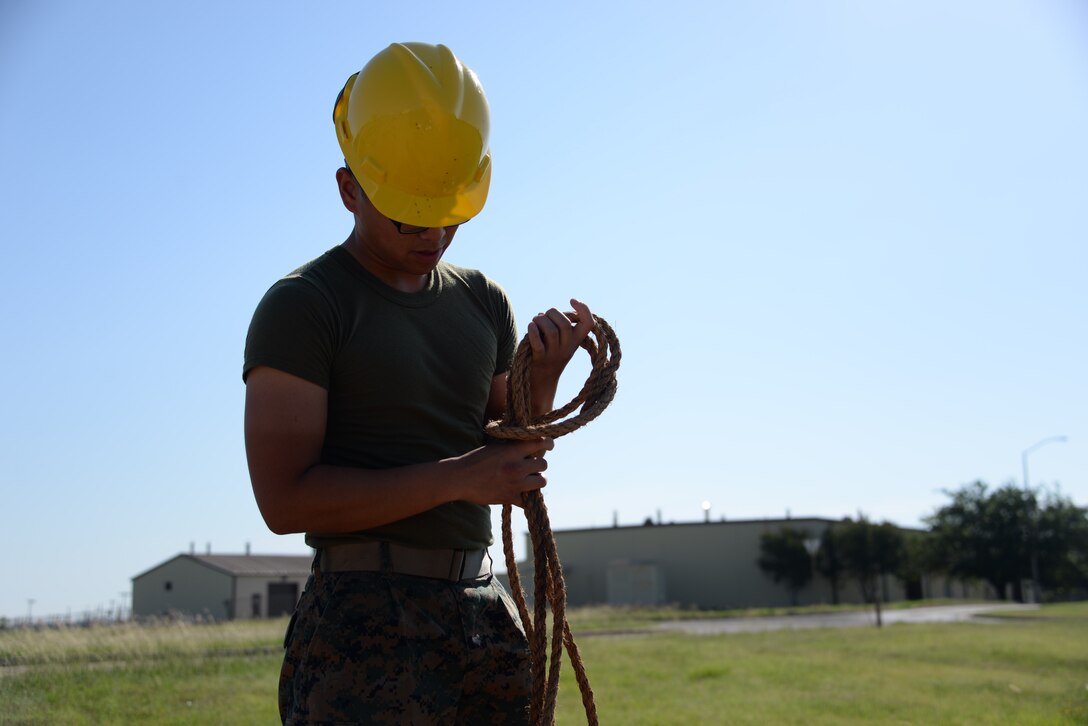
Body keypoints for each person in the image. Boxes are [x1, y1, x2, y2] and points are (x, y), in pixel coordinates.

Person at [243, 42, 592, 724]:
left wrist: (542, 380)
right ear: (349, 190)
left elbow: (508, 461)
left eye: (449, 212)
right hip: (363, 627)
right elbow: (285, 502)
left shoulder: (484, 301)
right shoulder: (304, 306)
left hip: (484, 614)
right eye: (409, 213)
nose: (432, 233)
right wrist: (460, 477)